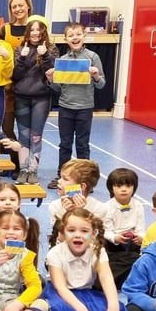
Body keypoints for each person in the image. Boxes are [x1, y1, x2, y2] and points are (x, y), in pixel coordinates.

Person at [43, 208, 139, 311]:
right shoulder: (55, 253)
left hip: (86, 293)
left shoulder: (98, 251)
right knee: (61, 308)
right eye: (71, 230)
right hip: (59, 293)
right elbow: (61, 288)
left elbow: (107, 280)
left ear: (93, 234)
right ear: (63, 233)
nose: (78, 235)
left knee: (117, 307)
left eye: (84, 231)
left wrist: (113, 307)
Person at [46, 22, 105, 189]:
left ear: (84, 36)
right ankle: (62, 177)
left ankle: (86, 180)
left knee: (82, 144)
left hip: (85, 108)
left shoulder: (92, 58)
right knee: (64, 144)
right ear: (65, 39)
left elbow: (101, 85)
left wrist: (95, 76)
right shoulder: (62, 61)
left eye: (78, 34)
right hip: (65, 108)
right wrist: (51, 80)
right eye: (71, 35)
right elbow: (58, 88)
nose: (75, 37)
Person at [11, 15, 58, 185]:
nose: (35, 32)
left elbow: (52, 73)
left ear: (44, 31)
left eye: (38, 29)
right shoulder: (19, 49)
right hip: (21, 97)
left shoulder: (51, 49)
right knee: (23, 136)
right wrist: (22, 58)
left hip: (41, 99)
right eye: (32, 29)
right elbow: (15, 75)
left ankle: (33, 170)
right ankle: (23, 169)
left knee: (36, 136)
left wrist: (45, 56)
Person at [0, 0, 34, 177]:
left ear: (28, 6)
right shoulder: (5, 30)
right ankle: (14, 161)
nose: (18, 9)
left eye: (21, 5)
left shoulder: (36, 27)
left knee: (27, 129)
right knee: (6, 128)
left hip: (29, 86)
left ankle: (27, 166)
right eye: (14, 6)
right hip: (7, 87)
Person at [103, 168, 145, 288]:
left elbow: (141, 228)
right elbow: (106, 231)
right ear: (111, 188)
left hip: (132, 244)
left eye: (128, 185)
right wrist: (115, 238)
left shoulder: (138, 206)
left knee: (139, 259)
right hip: (112, 245)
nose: (124, 189)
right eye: (119, 186)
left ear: (134, 188)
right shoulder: (107, 207)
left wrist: (140, 237)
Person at [48, 158, 107, 227]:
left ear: (82, 186)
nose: (59, 181)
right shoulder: (55, 206)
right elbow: (57, 236)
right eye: (60, 177)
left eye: (65, 179)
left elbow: (93, 236)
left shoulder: (99, 209)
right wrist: (67, 214)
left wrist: (80, 213)